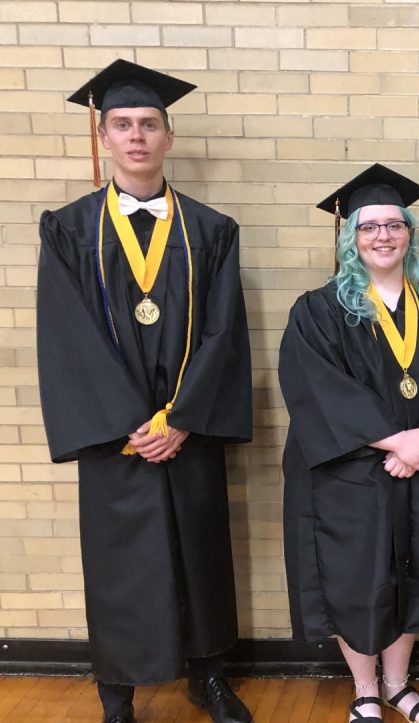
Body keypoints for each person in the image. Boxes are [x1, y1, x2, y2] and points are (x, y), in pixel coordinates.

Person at [36, 60, 253, 723]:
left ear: (169, 136)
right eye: (123, 124)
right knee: (121, 565)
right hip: (118, 438)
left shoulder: (210, 230)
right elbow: (66, 335)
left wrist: (182, 417)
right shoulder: (69, 230)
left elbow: (224, 331)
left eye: (149, 124)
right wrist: (134, 422)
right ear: (104, 136)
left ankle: (209, 676)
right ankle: (118, 694)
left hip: (185, 430)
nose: (136, 136)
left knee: (201, 554)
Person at [279, 164, 419, 723]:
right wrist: (396, 439)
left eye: (394, 224)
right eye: (369, 227)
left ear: (410, 233)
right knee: (357, 580)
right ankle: (365, 688)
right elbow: (315, 386)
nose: (383, 236)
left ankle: (397, 682)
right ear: (350, 238)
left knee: (416, 573)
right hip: (350, 476)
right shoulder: (319, 311)